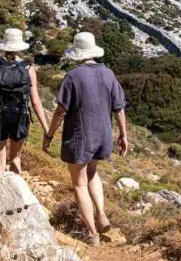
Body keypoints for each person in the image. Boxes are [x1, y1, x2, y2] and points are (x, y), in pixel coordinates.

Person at [42, 31, 128, 247]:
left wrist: (49, 134)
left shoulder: (72, 76)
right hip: (103, 133)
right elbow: (119, 108)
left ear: (77, 53)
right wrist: (123, 135)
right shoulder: (109, 74)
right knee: (92, 171)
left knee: (79, 183)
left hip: (80, 135)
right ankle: (101, 213)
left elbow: (60, 111)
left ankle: (91, 233)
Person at [0, 28, 49, 177]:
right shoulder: (28, 68)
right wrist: (46, 128)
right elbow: (35, 102)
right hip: (20, 118)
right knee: (16, 159)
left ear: (4, 46)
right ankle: (16, 189)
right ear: (19, 48)